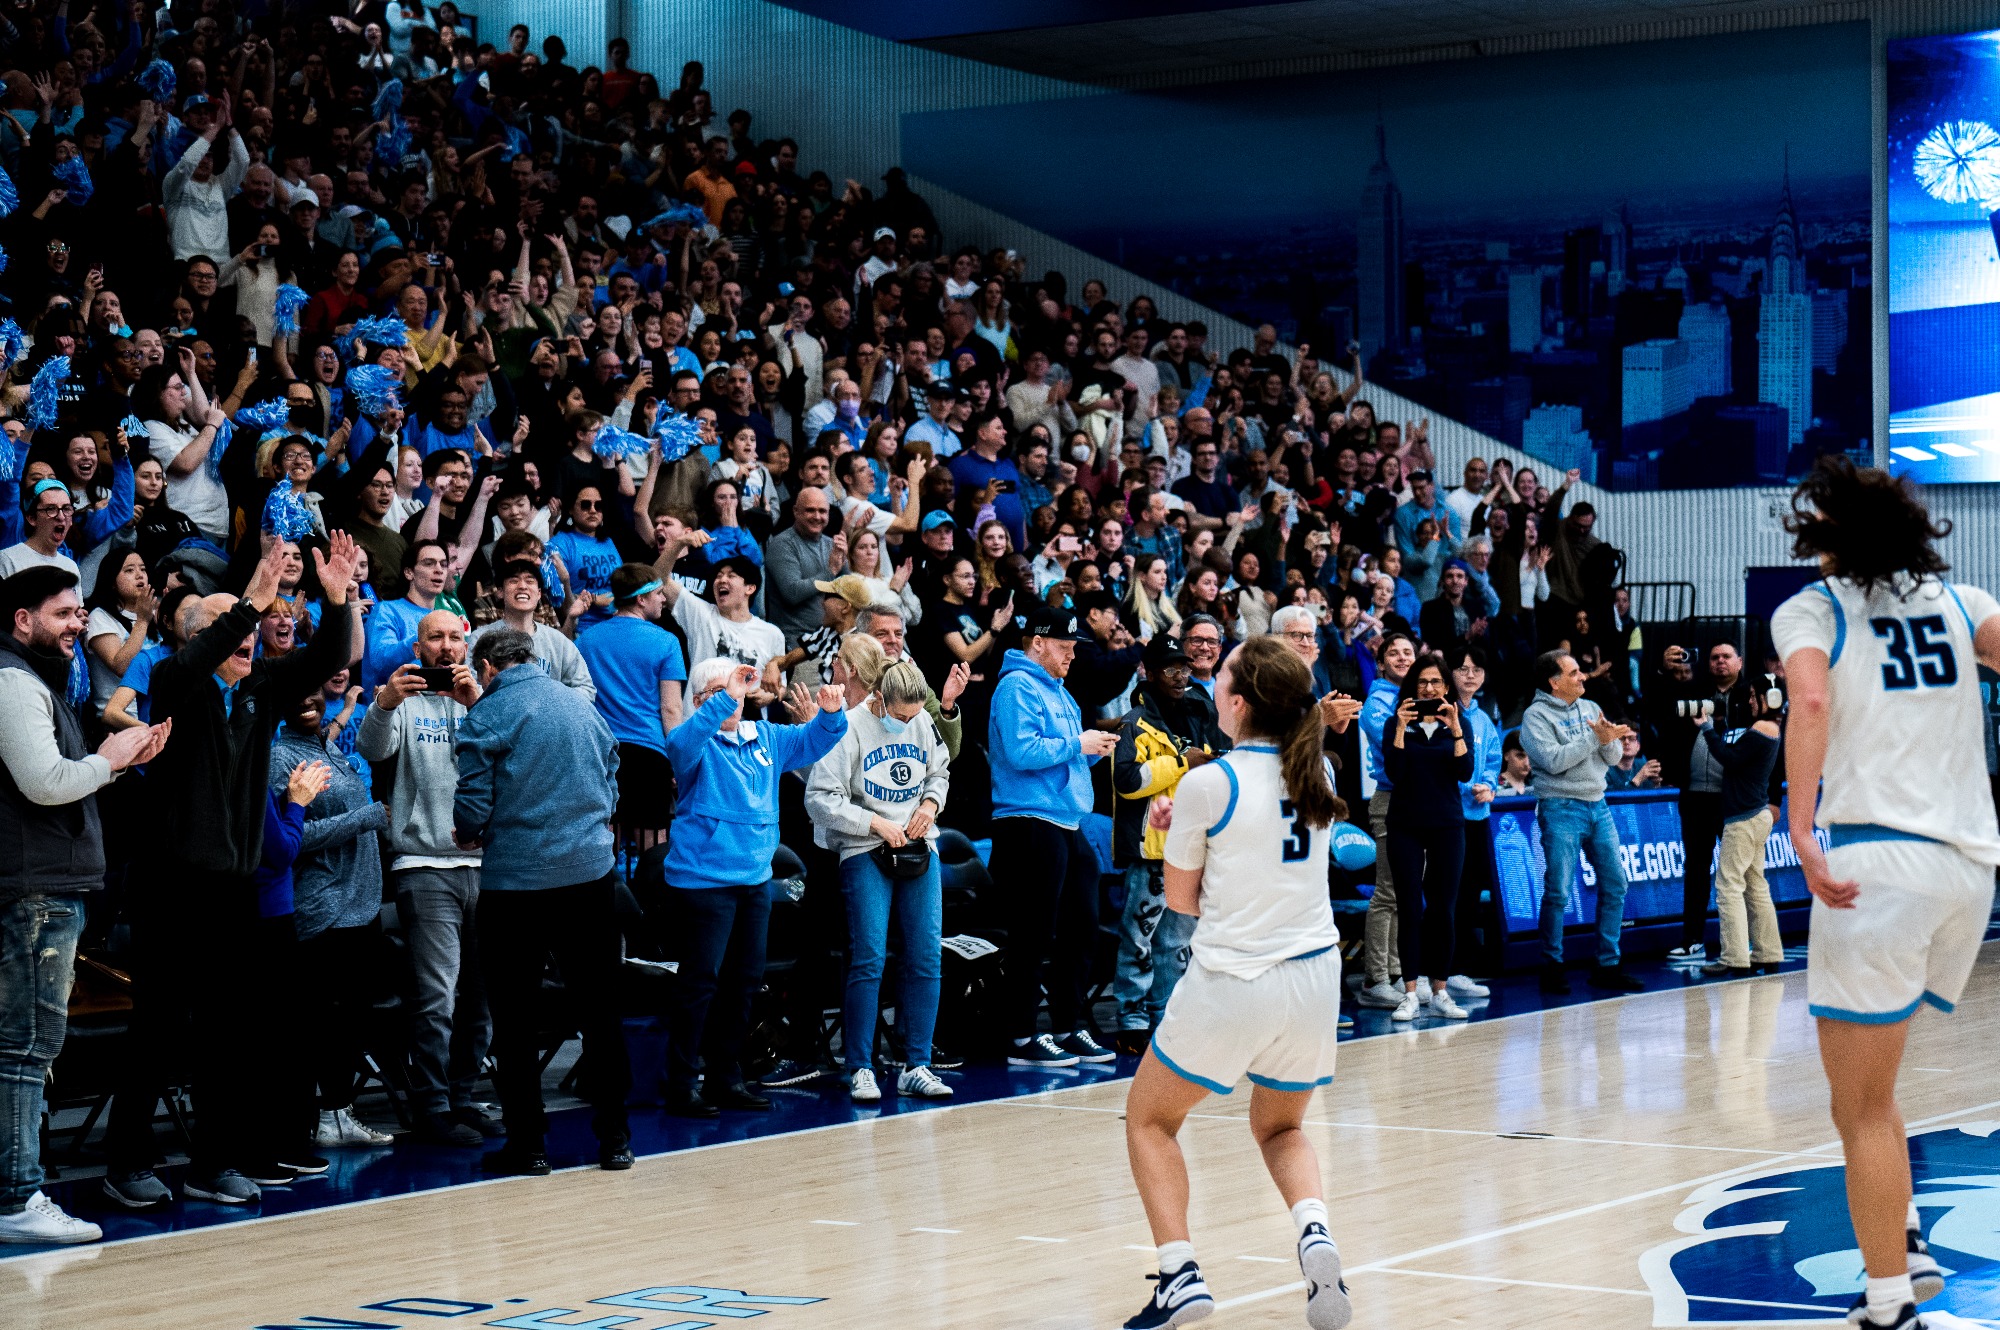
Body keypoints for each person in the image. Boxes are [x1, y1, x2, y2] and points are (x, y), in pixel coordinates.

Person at [1768, 458, 2000, 1330]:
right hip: (1968, 873)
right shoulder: (1965, 601)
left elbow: (1812, 703)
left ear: (1822, 535)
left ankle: (1888, 1303)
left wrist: (1799, 825)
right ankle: (1902, 1236)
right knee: (1877, 1084)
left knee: (1856, 1104)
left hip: (1880, 867)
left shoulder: (1813, 609)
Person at [105, 535, 359, 1207]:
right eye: (233, 625)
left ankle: (212, 1161)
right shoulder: (171, 685)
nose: (251, 633)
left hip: (233, 888)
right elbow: (195, 660)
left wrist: (336, 600)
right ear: (203, 638)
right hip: (169, 887)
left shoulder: (260, 692)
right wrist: (247, 602)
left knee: (227, 1032)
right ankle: (126, 1160)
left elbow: (330, 657)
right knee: (158, 1029)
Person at [1118, 636, 1349, 1330]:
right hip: (1313, 979)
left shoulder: (1208, 781)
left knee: (1150, 1119)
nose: (1209, 683)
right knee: (1281, 1128)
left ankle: (1179, 1274)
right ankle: (1316, 1234)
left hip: (1235, 979)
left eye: (1219, 676)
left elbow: (1183, 905)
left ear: (1240, 701)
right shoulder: (1322, 773)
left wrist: (1173, 824)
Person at [0, 568, 170, 1243]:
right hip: (33, 892)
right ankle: (17, 1198)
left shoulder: (32, 679)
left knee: (22, 1048)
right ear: (22, 620)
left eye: (79, 613)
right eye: (65, 613)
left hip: (40, 889)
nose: (77, 623)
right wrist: (111, 757)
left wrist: (111, 760)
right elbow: (45, 784)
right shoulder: (14, 681)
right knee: (24, 1049)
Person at [453, 627, 629, 1176]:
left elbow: (471, 807)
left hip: (516, 886)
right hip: (589, 877)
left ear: (487, 668)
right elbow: (613, 771)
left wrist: (468, 828)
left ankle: (528, 1146)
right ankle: (616, 1140)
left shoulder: (487, 715)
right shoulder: (580, 706)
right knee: (601, 1012)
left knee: (515, 1019)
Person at [660, 659, 846, 1116]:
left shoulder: (765, 738)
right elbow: (679, 743)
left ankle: (727, 1077)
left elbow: (814, 743)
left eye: (739, 691)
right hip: (703, 882)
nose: (734, 698)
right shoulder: (695, 745)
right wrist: (726, 694)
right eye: (721, 693)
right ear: (702, 701)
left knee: (743, 984)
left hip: (754, 881)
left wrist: (829, 713)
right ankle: (681, 1082)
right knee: (699, 983)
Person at [356, 610, 497, 1148]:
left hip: (487, 865)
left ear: (467, 645)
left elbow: (510, 758)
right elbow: (372, 749)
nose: (445, 647)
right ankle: (432, 1106)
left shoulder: (485, 701)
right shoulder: (405, 700)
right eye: (434, 638)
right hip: (423, 866)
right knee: (437, 996)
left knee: (481, 996)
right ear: (418, 646)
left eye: (454, 638)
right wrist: (384, 702)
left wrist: (477, 707)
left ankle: (465, 1098)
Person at [804, 659, 953, 1103]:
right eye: (901, 714)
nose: (908, 722)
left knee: (926, 954)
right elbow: (819, 799)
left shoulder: (923, 719)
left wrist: (930, 803)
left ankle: (917, 1065)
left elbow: (939, 772)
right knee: (869, 957)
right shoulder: (848, 728)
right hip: (864, 849)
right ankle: (860, 1067)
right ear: (880, 699)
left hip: (917, 847)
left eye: (914, 715)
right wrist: (872, 823)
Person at [988, 601, 1122, 1068]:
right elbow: (1023, 752)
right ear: (1038, 643)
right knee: (1033, 931)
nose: (1072, 655)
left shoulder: (1061, 692)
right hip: (1027, 821)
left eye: (1073, 648)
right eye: (1064, 647)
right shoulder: (1016, 686)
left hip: (1065, 819)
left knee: (1081, 927)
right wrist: (1077, 744)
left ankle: (1069, 1024)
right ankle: (1021, 1035)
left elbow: (1059, 755)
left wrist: (1091, 751)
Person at [1109, 633, 1225, 1055]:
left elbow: (1222, 760)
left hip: (1193, 846)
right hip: (1152, 849)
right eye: (1171, 669)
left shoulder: (1201, 712)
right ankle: (1132, 1018)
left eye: (1185, 668)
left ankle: (1168, 1015)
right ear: (1150, 673)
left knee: (1178, 940)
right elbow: (1127, 782)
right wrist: (1180, 762)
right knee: (1139, 936)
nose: (1181, 676)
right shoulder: (1134, 722)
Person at [1520, 650, 1644, 996]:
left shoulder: (1590, 708)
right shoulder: (1535, 717)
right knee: (1558, 890)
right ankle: (1552, 965)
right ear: (1554, 682)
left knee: (1616, 884)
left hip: (1597, 803)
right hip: (1560, 806)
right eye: (1574, 673)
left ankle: (1607, 964)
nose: (1583, 677)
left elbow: (1615, 757)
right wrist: (1594, 738)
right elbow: (1554, 761)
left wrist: (1609, 742)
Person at [1382, 652, 1473, 1021]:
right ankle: (1409, 992)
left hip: (1447, 824)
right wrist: (1402, 728)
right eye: (1422, 682)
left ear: (1446, 687)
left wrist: (1455, 728)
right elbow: (1395, 772)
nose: (1429, 688)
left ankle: (1440, 990)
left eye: (1436, 682)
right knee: (1408, 905)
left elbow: (1465, 772)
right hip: (1405, 822)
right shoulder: (1396, 723)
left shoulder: (1459, 722)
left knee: (1443, 909)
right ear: (1411, 687)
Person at [576, 564, 687, 854]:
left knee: (605, 838)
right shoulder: (667, 641)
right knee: (653, 844)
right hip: (649, 755)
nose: (664, 599)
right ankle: (652, 900)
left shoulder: (587, 639)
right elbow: (671, 710)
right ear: (641, 599)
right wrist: (679, 759)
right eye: (659, 593)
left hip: (600, 752)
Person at [1667, 641, 1757, 964]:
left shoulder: (1753, 695)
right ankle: (1692, 940)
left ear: (1740, 662)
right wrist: (1664, 670)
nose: (1719, 662)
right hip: (1695, 796)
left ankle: (1744, 940)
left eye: (1726, 657)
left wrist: (1772, 796)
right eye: (1714, 657)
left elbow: (1773, 742)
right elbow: (1661, 706)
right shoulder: (1695, 692)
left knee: (1739, 872)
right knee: (1695, 868)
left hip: (1733, 798)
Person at [1694, 676, 1785, 979]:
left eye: (1755, 696)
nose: (1749, 701)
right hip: (1755, 814)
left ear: (1769, 699)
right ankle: (1768, 954)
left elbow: (1729, 758)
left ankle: (1735, 957)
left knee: (1728, 887)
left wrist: (1706, 728)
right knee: (1756, 885)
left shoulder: (1762, 728)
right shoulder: (1771, 729)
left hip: (1743, 817)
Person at [1355, 631, 1416, 1009]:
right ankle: (1374, 978)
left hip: (1420, 802)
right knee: (1388, 891)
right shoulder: (1375, 703)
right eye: (1393, 653)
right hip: (1391, 800)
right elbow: (1402, 747)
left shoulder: (1422, 697)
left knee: (1406, 893)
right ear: (1381, 662)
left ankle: (1397, 973)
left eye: (1408, 652)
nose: (1402, 658)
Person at [1446, 646, 1500, 994]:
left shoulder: (1484, 719)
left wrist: (1490, 787)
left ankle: (1460, 970)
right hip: (1450, 814)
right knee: (1446, 894)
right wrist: (1465, 785)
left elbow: (1493, 759)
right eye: (1463, 668)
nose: (1469, 675)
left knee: (1469, 894)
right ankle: (1437, 968)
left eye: (1476, 669)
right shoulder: (1445, 711)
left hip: (1478, 815)